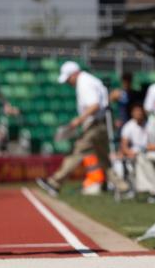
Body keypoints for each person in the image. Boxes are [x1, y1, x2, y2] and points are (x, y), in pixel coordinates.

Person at [36, 61, 129, 196]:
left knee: (77, 151)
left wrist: (79, 120)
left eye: (68, 79)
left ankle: (54, 182)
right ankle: (123, 187)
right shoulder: (88, 80)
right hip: (101, 124)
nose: (68, 82)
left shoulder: (84, 83)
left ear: (74, 75)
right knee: (104, 159)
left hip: (95, 125)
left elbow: (94, 105)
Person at [120, 102, 155, 199]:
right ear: (132, 113)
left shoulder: (150, 124)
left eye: (140, 111)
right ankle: (154, 189)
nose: (138, 113)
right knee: (141, 159)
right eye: (136, 111)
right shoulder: (128, 127)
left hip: (151, 152)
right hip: (137, 154)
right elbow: (124, 146)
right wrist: (129, 153)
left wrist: (153, 147)